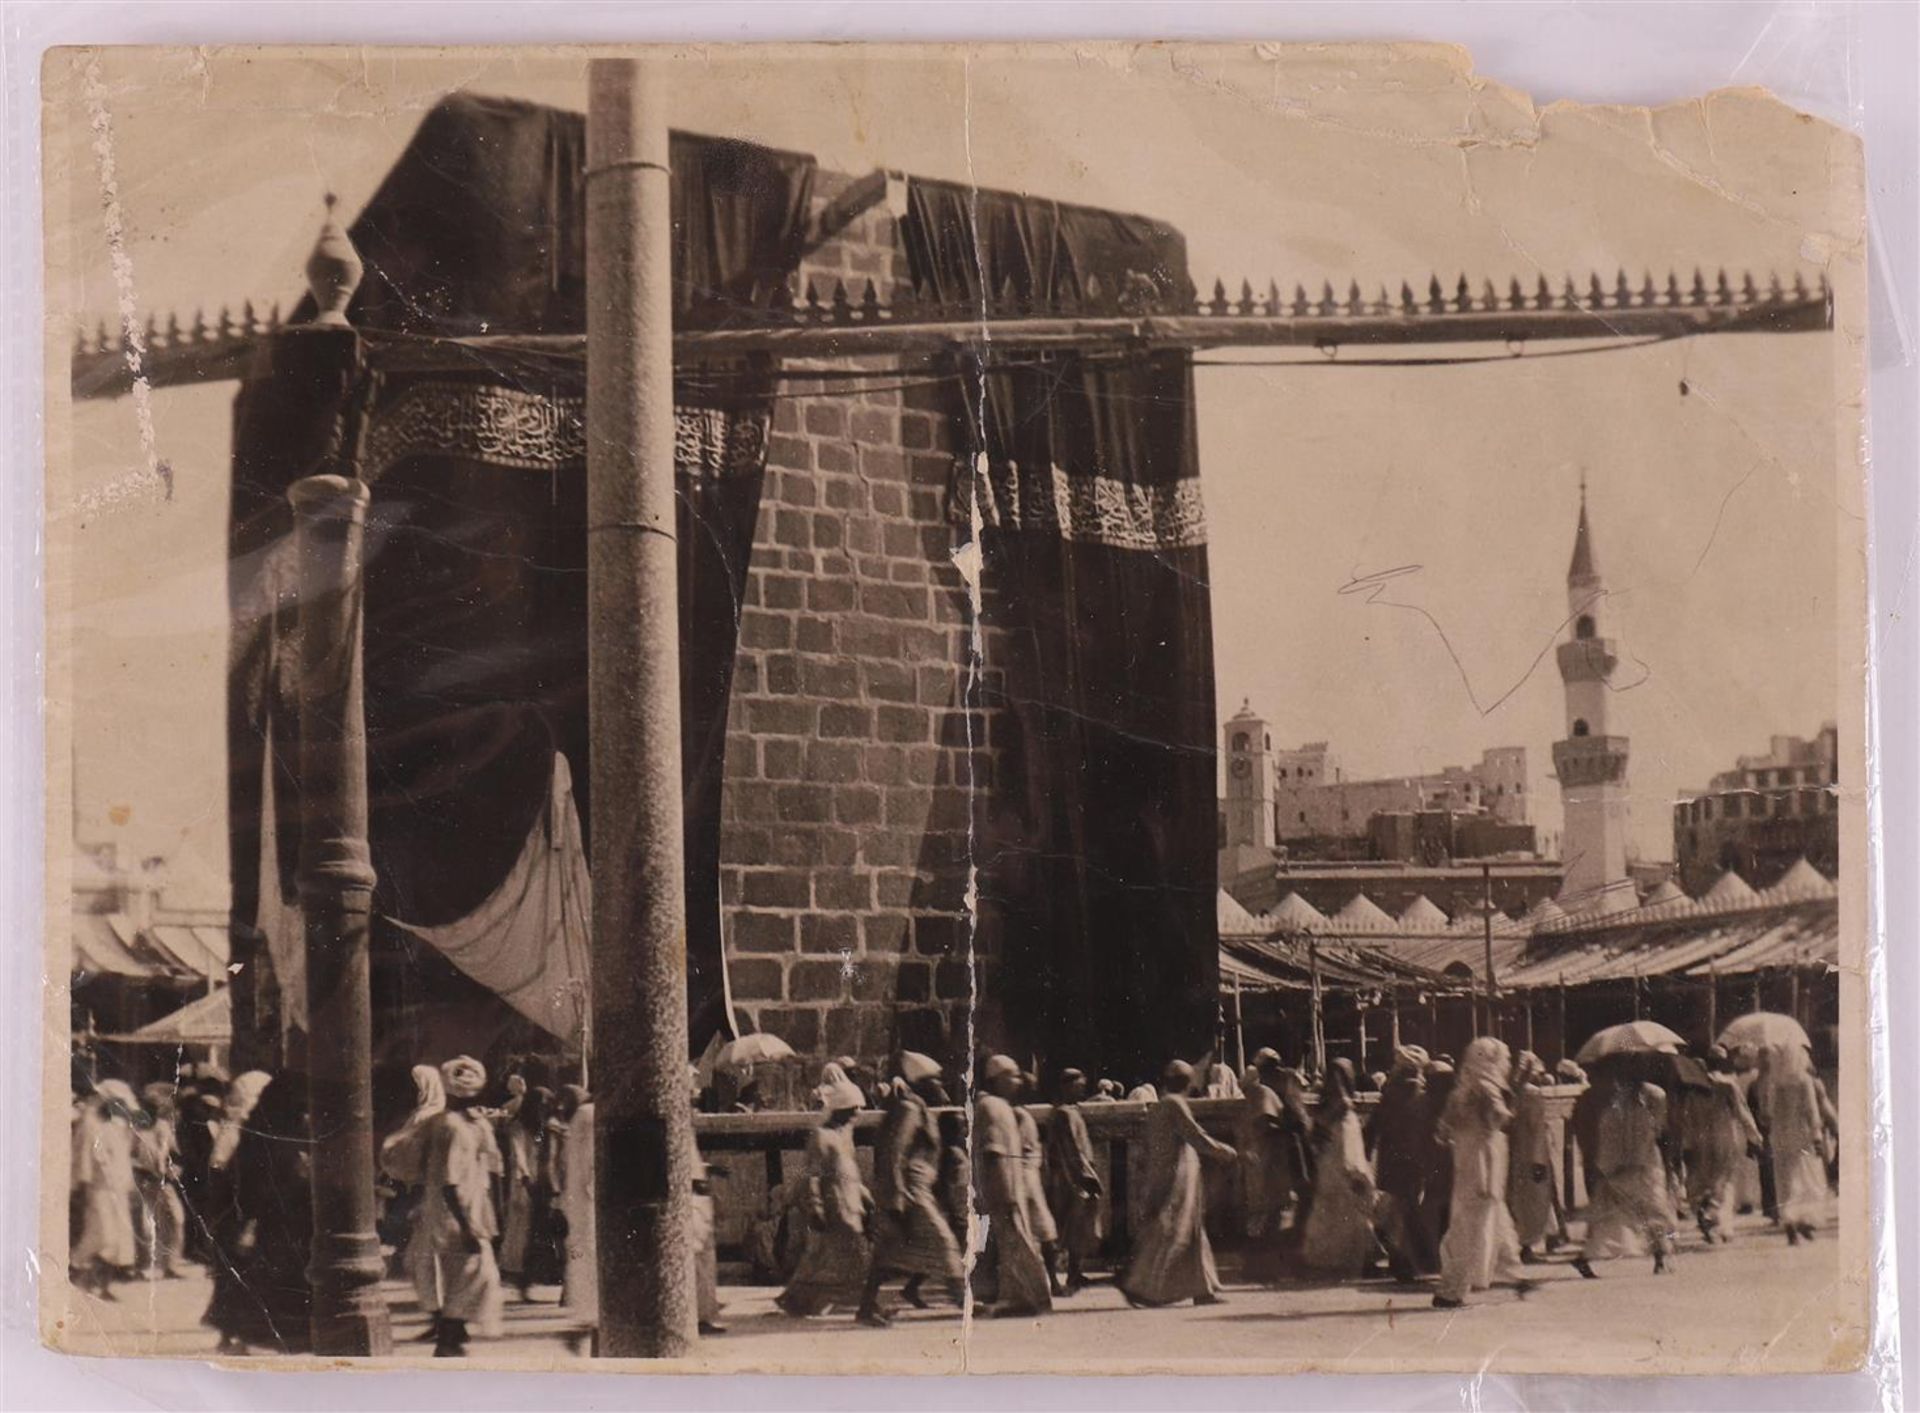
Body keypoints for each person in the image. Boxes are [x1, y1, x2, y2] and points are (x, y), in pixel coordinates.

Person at [202, 1073, 313, 1354]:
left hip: (265, 1219)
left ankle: (242, 1336)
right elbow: (254, 1182)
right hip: (270, 1220)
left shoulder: (261, 1130)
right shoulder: (269, 1135)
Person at [1119, 1059, 1237, 1308]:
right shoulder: (1174, 1104)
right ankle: (1139, 1285)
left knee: (1190, 1231)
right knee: (1174, 1232)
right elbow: (1195, 1135)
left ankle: (1203, 1289)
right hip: (1178, 1177)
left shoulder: (1160, 1106)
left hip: (1171, 1173)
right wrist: (1226, 1152)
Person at [860, 1051, 965, 1323]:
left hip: (917, 1190)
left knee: (891, 1254)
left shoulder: (917, 1108)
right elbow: (895, 1154)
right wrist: (897, 1199)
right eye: (934, 1082)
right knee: (944, 1242)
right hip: (910, 1192)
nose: (940, 1087)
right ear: (920, 1085)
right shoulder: (909, 1109)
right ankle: (964, 1302)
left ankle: (866, 1307)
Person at [1432, 1037, 1533, 1309]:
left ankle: (1515, 1274)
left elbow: (1442, 1132)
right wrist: (1518, 1089)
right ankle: (1451, 1290)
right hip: (1485, 1164)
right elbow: (1499, 1120)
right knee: (1474, 1228)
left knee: (1492, 1221)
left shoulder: (1460, 1091)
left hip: (1466, 1161)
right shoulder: (1487, 1089)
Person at [419, 1055, 505, 1356]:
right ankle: (448, 1340)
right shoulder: (450, 1126)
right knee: (476, 1274)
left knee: (471, 1275)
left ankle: (452, 1337)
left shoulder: (473, 1124)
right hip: (454, 1214)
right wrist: (467, 1225)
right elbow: (449, 1182)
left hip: (470, 1209)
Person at [777, 1063, 873, 1318]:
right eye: (853, 1109)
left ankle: (797, 1299)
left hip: (849, 1203)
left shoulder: (843, 1136)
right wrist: (816, 1206)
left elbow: (849, 1171)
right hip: (834, 1204)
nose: (858, 1113)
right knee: (856, 1255)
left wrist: (865, 1196)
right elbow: (812, 1175)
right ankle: (868, 1307)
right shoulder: (821, 1136)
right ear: (840, 1110)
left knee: (825, 1257)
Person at [1577, 1059, 1676, 1276]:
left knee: (1609, 1216)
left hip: (1622, 1168)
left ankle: (1586, 1256)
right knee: (1655, 1212)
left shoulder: (1615, 1107)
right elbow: (1659, 1133)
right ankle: (1661, 1256)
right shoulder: (1650, 1102)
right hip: (1645, 1166)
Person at [972, 1054, 1052, 1317]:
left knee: (1014, 1244)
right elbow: (993, 1153)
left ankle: (1027, 1297)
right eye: (1012, 1076)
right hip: (1002, 1188)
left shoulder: (996, 1106)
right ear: (998, 1079)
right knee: (1015, 1243)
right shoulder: (993, 1107)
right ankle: (1029, 1297)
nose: (1017, 1082)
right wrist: (1004, 1191)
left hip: (1006, 1187)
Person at [380, 1064, 448, 1341]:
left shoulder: (429, 1117)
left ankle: (444, 1322)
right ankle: (441, 1320)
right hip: (421, 1191)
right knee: (421, 1259)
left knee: (426, 1260)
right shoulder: (425, 1115)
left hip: (429, 1192)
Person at [1298, 1059, 1378, 1277]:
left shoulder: (1339, 1106)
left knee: (1342, 1213)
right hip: (1332, 1164)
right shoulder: (1340, 1106)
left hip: (1338, 1165)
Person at [1677, 1045, 1764, 1244]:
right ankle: (1720, 1222)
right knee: (1725, 1181)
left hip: (1701, 1139)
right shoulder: (1728, 1085)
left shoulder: (1693, 1088)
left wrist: (1686, 1143)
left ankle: (1707, 1212)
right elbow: (1742, 1113)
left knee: (1704, 1179)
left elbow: (1687, 1118)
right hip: (1726, 1137)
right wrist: (1755, 1137)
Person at [1365, 1046, 1436, 1276]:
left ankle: (1399, 1258)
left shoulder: (1390, 1093)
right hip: (1413, 1159)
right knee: (1409, 1210)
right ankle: (1405, 1261)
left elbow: (1373, 1127)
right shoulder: (1419, 1092)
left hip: (1390, 1159)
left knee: (1396, 1209)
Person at [1753, 1043, 1831, 1244]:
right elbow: (1812, 1112)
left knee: (1784, 1179)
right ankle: (1804, 1218)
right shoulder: (1804, 1080)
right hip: (1802, 1136)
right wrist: (1817, 1137)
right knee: (1807, 1179)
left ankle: (1789, 1220)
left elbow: (1766, 1114)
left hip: (1779, 1137)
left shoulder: (1773, 1082)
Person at [71, 1080, 140, 1299]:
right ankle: (73, 1268)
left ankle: (102, 1285)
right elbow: (83, 1156)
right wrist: (81, 1183)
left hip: (118, 1188)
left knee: (118, 1240)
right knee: (102, 1235)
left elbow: (123, 1157)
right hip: (98, 1187)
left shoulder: (116, 1125)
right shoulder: (90, 1123)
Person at [1043, 1068, 1104, 1294]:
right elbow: (1072, 1151)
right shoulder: (1063, 1114)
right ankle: (1055, 1279)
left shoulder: (1070, 1111)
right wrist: (1086, 1177)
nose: (1081, 1089)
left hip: (1074, 1176)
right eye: (1077, 1085)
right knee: (1063, 1227)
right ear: (1066, 1086)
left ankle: (1074, 1274)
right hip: (1068, 1179)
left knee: (1077, 1228)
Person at [1012, 1071, 1065, 1297]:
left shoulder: (1022, 1114)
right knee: (1042, 1232)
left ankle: (1051, 1281)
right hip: (1023, 1176)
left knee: (1044, 1232)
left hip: (1030, 1175)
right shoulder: (1016, 1114)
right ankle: (1049, 1282)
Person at [1505, 1051, 1560, 1262]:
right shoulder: (1532, 1095)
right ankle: (1527, 1245)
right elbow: (1537, 1130)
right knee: (1534, 1200)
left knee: (1518, 1199)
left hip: (1515, 1153)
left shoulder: (1511, 1094)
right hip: (1532, 1153)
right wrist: (1539, 1160)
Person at [132, 1082, 187, 1280]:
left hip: (163, 1180)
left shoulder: (163, 1127)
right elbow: (130, 1153)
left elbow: (174, 1152)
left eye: (154, 1107)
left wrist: (171, 1170)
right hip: (143, 1179)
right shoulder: (136, 1128)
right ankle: (146, 1265)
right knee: (146, 1223)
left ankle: (171, 1263)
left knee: (176, 1218)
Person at [557, 1085, 596, 1350]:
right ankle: (588, 1328)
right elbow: (592, 1165)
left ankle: (587, 1326)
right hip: (590, 1201)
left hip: (576, 1199)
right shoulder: (591, 1115)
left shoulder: (580, 1115)